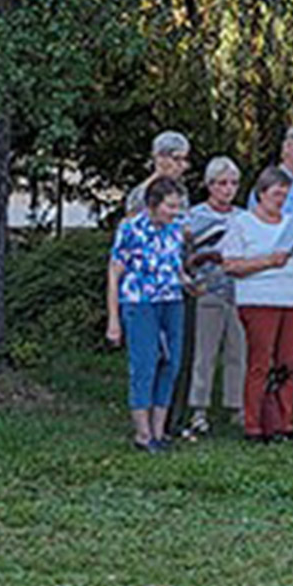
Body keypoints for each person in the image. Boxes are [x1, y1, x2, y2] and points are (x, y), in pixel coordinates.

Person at [223, 165, 293, 443]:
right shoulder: (242, 223)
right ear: (261, 193)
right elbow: (231, 265)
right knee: (260, 362)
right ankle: (254, 424)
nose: (281, 200)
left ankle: (283, 422)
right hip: (259, 298)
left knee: (287, 362)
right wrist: (268, 261)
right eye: (276, 194)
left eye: (285, 195)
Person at [106, 177, 188, 452]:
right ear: (153, 204)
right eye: (170, 206)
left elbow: (176, 267)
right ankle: (142, 434)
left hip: (172, 302)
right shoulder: (131, 229)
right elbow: (114, 273)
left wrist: (189, 282)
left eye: (178, 206)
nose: (175, 212)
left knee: (171, 363)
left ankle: (159, 430)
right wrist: (113, 319)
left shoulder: (175, 230)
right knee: (145, 365)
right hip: (140, 303)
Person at [182, 157, 246, 437]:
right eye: (222, 183)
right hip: (207, 290)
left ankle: (236, 406)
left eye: (233, 183)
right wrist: (203, 257)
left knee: (238, 352)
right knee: (204, 354)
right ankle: (199, 409)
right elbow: (183, 256)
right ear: (210, 185)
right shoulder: (194, 216)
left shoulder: (243, 217)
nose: (228, 189)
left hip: (239, 291)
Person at [124, 131, 191, 216]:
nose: (183, 165)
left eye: (184, 159)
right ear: (159, 158)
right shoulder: (140, 195)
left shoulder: (181, 192)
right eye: (176, 159)